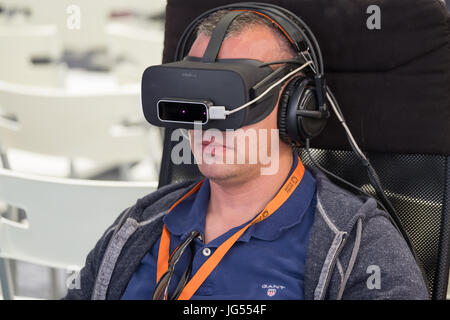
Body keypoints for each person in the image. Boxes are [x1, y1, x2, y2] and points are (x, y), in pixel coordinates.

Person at [64, 9, 429, 300]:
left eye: (231, 95)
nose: (207, 120)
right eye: (194, 96)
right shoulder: (139, 225)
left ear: (297, 108)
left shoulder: (356, 245)